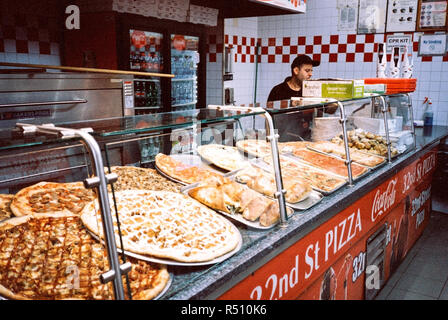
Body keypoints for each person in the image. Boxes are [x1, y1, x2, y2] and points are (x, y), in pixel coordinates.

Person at [267, 54, 336, 142]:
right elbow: (269, 119)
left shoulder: (311, 90)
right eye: (307, 70)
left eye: (311, 71)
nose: (310, 74)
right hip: (283, 140)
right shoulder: (278, 90)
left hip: (307, 140)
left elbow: (331, 110)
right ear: (296, 70)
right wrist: (272, 141)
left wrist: (332, 102)